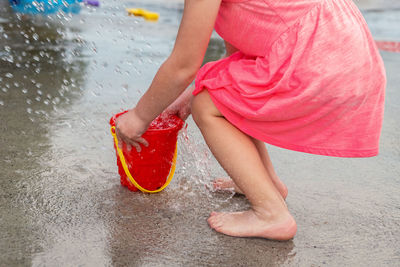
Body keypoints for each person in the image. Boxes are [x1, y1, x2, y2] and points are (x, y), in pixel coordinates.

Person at [115, 0, 386, 240]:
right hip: (344, 54)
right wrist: (194, 90)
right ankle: (267, 183)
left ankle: (271, 213)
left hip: (322, 63)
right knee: (225, 94)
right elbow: (239, 61)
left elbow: (183, 65)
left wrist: (139, 117)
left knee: (206, 107)